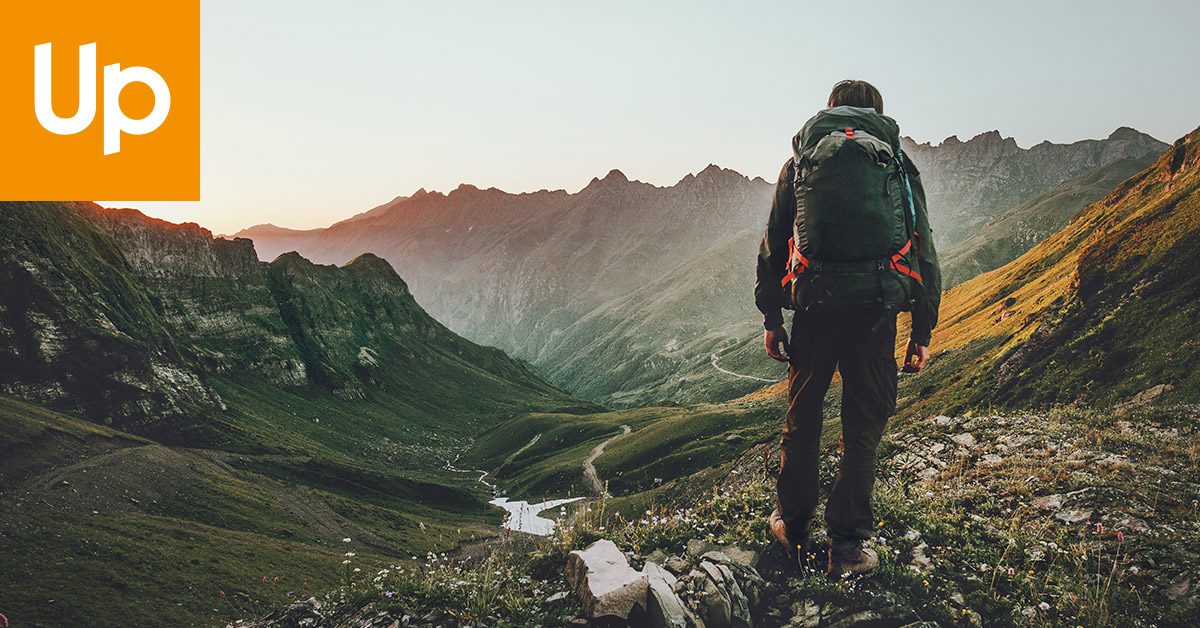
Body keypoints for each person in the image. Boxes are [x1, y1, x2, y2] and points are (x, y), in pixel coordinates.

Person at [753, 80, 941, 577]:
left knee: (803, 419)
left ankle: (793, 527)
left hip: (814, 308)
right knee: (862, 427)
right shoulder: (898, 165)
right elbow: (924, 248)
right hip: (875, 314)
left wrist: (772, 318)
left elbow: (774, 245)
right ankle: (848, 547)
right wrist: (922, 330)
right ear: (879, 113)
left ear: (830, 110)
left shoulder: (801, 163)